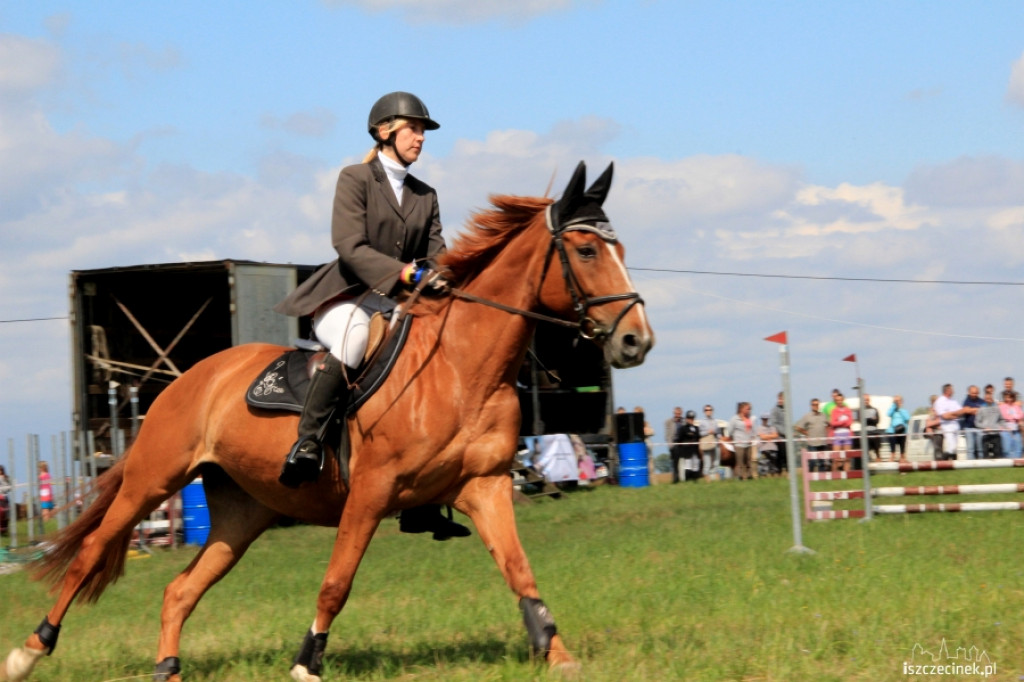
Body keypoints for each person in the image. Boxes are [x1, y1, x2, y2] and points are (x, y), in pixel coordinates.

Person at [272, 91, 467, 541]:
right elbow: (349, 245)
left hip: (398, 301)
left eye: (422, 131)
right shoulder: (355, 178)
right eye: (413, 129)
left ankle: (421, 502)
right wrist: (401, 271)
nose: (420, 138)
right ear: (385, 132)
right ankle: (308, 441)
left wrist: (441, 277)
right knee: (355, 340)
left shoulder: (426, 195)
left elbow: (437, 252)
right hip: (346, 296)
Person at [934, 383, 969, 461]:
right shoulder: (940, 401)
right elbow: (944, 416)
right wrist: (955, 414)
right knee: (951, 446)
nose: (953, 391)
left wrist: (952, 414)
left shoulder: (953, 401)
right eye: (952, 389)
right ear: (947, 390)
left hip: (956, 425)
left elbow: (961, 412)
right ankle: (943, 461)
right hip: (947, 425)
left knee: (955, 446)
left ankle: (953, 463)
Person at [795, 398, 829, 472]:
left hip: (822, 443)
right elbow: (798, 427)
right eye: (814, 404)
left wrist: (826, 432)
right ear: (811, 406)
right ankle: (809, 476)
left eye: (817, 404)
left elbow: (828, 425)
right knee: (812, 461)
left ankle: (822, 479)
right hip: (812, 443)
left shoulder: (823, 415)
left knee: (822, 462)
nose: (815, 406)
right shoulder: (807, 416)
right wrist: (806, 433)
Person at [724, 402, 756, 480]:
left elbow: (752, 430)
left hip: (748, 443)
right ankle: (740, 477)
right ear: (742, 409)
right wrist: (732, 439)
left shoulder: (750, 418)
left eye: (750, 409)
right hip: (739, 444)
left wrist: (752, 438)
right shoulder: (734, 419)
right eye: (748, 409)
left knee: (748, 461)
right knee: (740, 462)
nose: (749, 410)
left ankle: (749, 476)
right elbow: (729, 431)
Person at [829, 393, 854, 472]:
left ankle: (847, 474)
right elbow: (833, 423)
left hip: (847, 434)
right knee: (836, 457)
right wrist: (843, 422)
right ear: (835, 401)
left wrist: (840, 422)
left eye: (840, 400)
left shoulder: (848, 410)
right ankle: (834, 475)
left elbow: (850, 422)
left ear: (843, 400)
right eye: (837, 400)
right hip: (837, 434)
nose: (839, 402)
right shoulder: (834, 411)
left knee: (847, 457)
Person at [674, 411, 702, 482]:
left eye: (692, 418)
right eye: (689, 418)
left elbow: (699, 438)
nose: (691, 420)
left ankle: (695, 481)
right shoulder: (683, 428)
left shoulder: (697, 428)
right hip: (687, 451)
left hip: (695, 450)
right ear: (686, 419)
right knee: (688, 466)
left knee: (696, 466)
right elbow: (679, 439)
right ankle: (688, 481)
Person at [976, 385, 1003, 459]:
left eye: (990, 398)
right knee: (986, 454)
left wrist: (1001, 426)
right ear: (985, 399)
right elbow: (977, 422)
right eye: (987, 398)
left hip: (996, 433)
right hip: (986, 434)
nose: (989, 400)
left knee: (997, 453)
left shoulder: (997, 408)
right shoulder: (981, 409)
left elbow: (1001, 420)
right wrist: (984, 427)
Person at [961, 385, 986, 460]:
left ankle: (981, 464)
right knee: (970, 449)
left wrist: (971, 410)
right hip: (969, 428)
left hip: (979, 428)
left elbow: (984, 412)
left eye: (976, 393)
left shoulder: (982, 401)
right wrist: (977, 410)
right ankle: (971, 464)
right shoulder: (966, 401)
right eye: (972, 393)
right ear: (969, 392)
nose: (974, 394)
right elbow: (965, 410)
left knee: (980, 448)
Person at [768, 391, 789, 474]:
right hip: (779, 437)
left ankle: (789, 473)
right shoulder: (774, 410)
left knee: (788, 456)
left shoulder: (787, 409)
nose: (780, 400)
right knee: (780, 456)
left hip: (787, 438)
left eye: (782, 399)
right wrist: (784, 432)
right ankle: (779, 473)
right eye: (779, 399)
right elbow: (773, 423)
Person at [999, 389, 1023, 459]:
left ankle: (1017, 463)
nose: (1009, 399)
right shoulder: (1002, 406)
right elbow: (1004, 416)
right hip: (1005, 430)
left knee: (1018, 448)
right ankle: (1007, 463)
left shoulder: (1016, 406)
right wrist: (1015, 417)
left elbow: (1021, 415)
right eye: (1007, 397)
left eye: (1010, 397)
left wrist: (1013, 417)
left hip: (1015, 430)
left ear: (1013, 398)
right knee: (1007, 448)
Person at [886, 395, 911, 462]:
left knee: (902, 452)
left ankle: (903, 464)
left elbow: (907, 418)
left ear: (901, 401)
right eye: (895, 401)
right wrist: (894, 406)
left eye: (898, 401)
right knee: (892, 452)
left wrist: (900, 409)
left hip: (902, 432)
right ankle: (891, 462)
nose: (897, 402)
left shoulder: (904, 411)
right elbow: (888, 414)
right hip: (892, 432)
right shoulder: (893, 411)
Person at [698, 405, 721, 478]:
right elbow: (700, 433)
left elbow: (719, 432)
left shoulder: (715, 421)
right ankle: (706, 479)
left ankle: (715, 478)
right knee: (707, 462)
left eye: (710, 410)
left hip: (715, 442)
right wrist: (708, 432)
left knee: (716, 461)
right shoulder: (702, 422)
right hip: (707, 444)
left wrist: (719, 436)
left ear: (712, 411)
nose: (708, 411)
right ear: (704, 412)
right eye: (706, 410)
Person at [756, 413, 780, 477]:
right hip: (764, 448)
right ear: (761, 419)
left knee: (773, 464)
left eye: (766, 419)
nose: (765, 420)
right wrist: (771, 436)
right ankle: (764, 476)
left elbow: (776, 435)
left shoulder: (772, 427)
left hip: (773, 448)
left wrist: (766, 436)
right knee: (764, 463)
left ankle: (773, 476)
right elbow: (762, 437)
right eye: (764, 419)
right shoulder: (759, 428)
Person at [860, 394, 881, 462]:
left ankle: (878, 460)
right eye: (864, 400)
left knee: (877, 449)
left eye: (867, 400)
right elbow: (861, 421)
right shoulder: (861, 410)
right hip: (865, 433)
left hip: (874, 431)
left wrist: (867, 419)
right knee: (866, 449)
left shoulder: (874, 409)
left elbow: (877, 421)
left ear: (869, 400)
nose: (866, 401)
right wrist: (871, 419)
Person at [0, 465, 11, 537]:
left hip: (3, 498)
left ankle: (3, 530)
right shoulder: (6, 478)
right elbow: (10, 488)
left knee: (3, 516)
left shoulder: (3, 478)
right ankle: (3, 530)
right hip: (4, 498)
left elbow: (9, 488)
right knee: (3, 516)